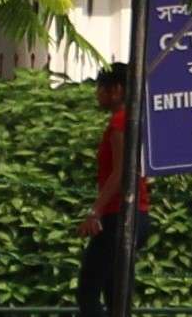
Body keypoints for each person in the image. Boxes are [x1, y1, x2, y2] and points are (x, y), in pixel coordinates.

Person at [74, 64, 146, 317]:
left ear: (116, 90)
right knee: (114, 290)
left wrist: (95, 211)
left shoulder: (119, 122)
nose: (97, 94)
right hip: (135, 211)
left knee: (88, 289)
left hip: (118, 214)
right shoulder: (134, 120)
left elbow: (121, 172)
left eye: (100, 89)